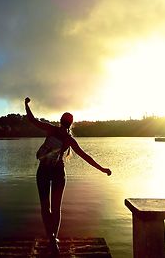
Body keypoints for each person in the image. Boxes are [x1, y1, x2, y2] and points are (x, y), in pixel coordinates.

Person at [24, 97, 111, 255]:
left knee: (46, 207)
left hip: (44, 170)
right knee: (56, 209)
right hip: (58, 172)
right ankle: (53, 238)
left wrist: (26, 104)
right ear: (70, 124)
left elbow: (32, 119)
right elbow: (86, 157)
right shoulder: (69, 139)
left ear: (60, 121)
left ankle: (50, 238)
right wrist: (102, 169)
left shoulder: (51, 130)